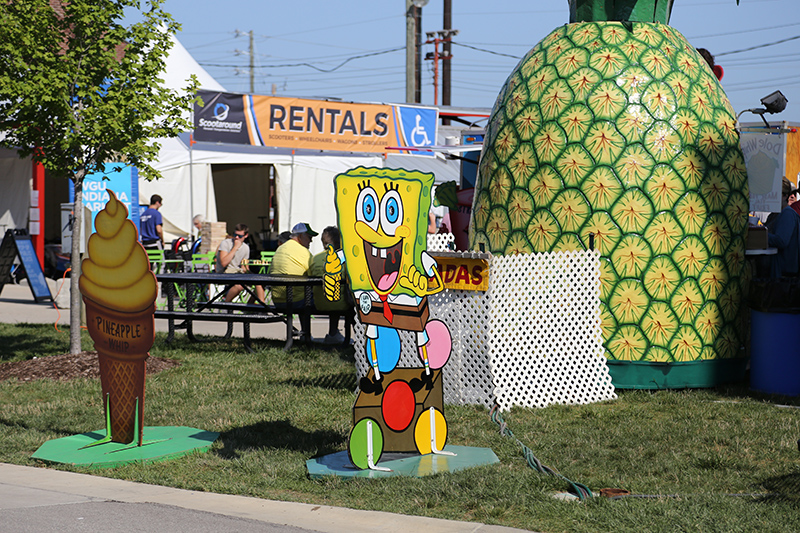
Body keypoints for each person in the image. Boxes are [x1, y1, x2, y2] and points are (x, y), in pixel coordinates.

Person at [270, 222, 317, 339]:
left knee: (303, 292)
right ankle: (333, 333)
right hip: (295, 301)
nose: (311, 241)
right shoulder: (304, 253)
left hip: (277, 299)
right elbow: (314, 276)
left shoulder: (280, 249)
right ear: (300, 236)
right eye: (309, 237)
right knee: (330, 298)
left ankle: (305, 334)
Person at [309, 226, 349, 344]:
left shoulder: (314, 259)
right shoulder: (344, 259)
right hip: (339, 303)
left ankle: (333, 333)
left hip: (319, 303)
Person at [216, 223, 264, 303]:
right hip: (224, 272)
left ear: (246, 236)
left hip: (238, 272)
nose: (236, 237)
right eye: (235, 234)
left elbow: (244, 267)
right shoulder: (226, 243)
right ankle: (226, 304)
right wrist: (235, 248)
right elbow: (223, 263)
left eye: (240, 236)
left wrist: (250, 274)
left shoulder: (246, 247)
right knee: (239, 285)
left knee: (261, 282)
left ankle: (256, 306)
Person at [768, 188, 800, 278]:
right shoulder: (775, 213)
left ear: (785, 195)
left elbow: (782, 240)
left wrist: (761, 235)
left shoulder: (787, 214)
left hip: (783, 273)